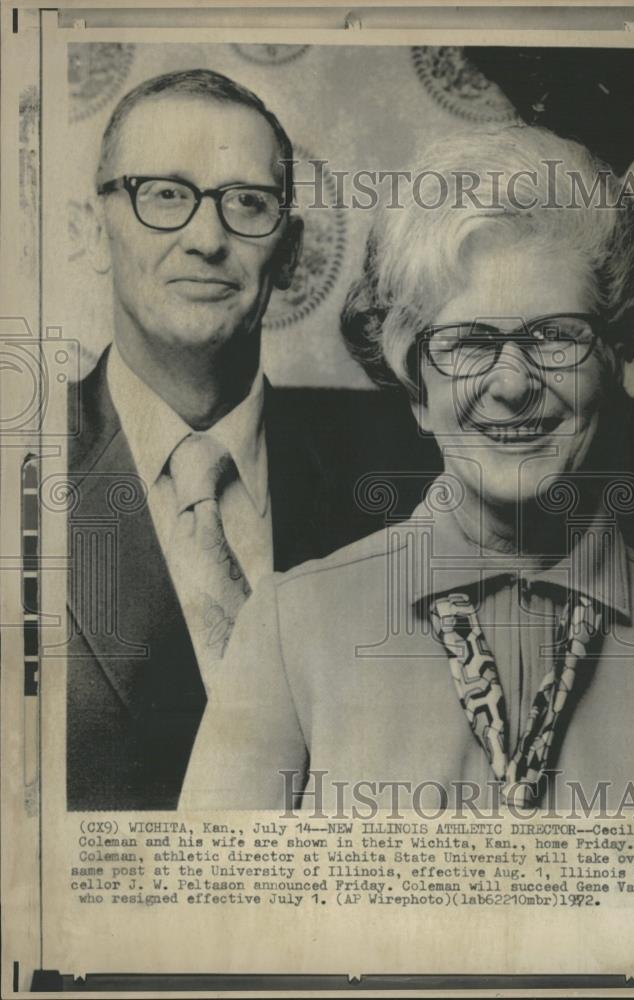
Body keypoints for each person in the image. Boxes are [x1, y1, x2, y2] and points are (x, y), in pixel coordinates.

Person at [183, 125, 634, 812]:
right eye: (468, 342)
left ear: (616, 354)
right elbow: (202, 917)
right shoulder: (289, 629)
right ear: (417, 389)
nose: (511, 384)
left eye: (554, 336)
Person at [65, 69, 435, 811]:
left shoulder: (408, 462)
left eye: (247, 203)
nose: (207, 238)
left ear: (289, 253)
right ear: (92, 230)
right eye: (164, 194)